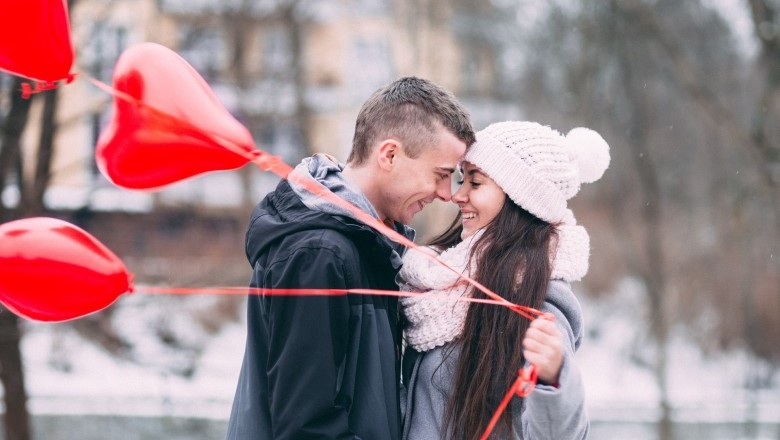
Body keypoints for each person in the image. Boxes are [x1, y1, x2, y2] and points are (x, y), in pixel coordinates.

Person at [227, 77, 475, 440]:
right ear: (389, 155)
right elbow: (306, 428)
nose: (446, 194)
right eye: (440, 175)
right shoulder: (319, 254)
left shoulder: (368, 246)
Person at [399, 121, 610, 440]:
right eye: (461, 179)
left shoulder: (539, 297)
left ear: (519, 197)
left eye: (476, 183)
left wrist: (553, 378)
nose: (458, 195)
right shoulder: (436, 281)